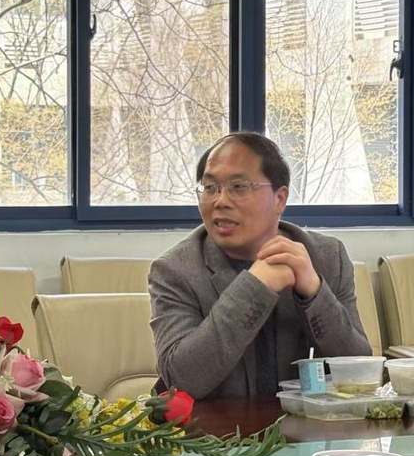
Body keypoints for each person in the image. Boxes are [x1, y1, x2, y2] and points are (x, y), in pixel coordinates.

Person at [149, 132, 371, 399]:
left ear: (280, 198)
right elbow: (181, 381)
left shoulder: (326, 257)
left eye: (238, 187)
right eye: (210, 188)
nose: (221, 201)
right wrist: (255, 287)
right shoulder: (174, 270)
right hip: (214, 426)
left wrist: (314, 293)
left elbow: (360, 372)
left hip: (306, 422)